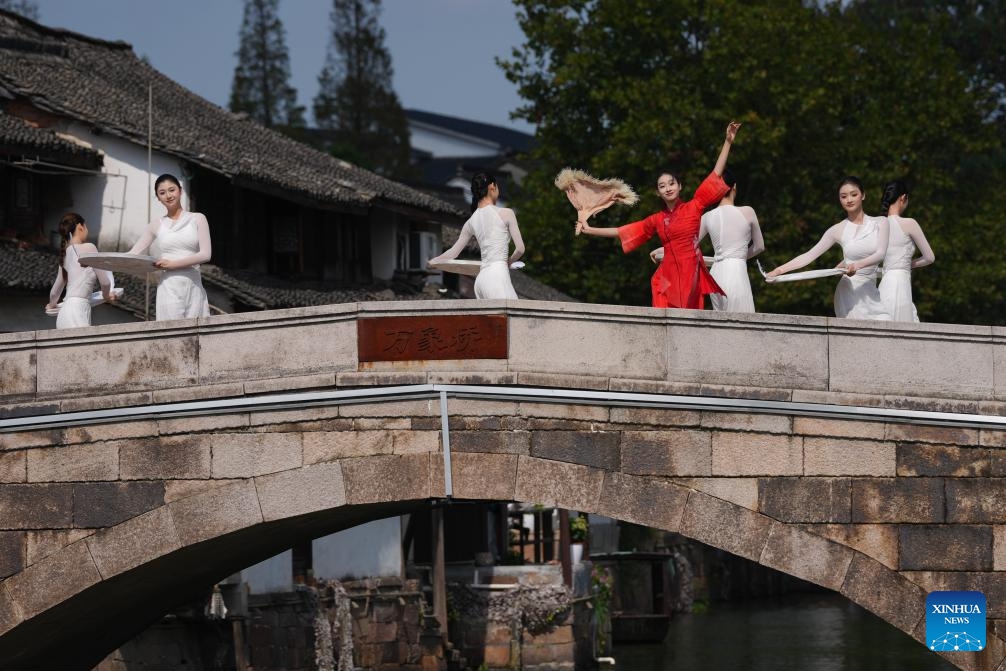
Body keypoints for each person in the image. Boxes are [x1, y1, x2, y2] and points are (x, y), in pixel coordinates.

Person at [576, 122, 741, 309]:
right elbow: (624, 231)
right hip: (667, 276)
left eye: (671, 183)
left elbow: (715, 174)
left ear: (680, 186)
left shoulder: (694, 206)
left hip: (689, 272)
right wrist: (590, 229)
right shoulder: (657, 219)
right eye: (662, 186)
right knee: (659, 293)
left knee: (684, 312)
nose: (668, 188)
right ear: (658, 192)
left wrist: (728, 141)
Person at [766, 176, 891, 320]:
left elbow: (880, 254)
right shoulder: (837, 229)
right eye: (843, 196)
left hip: (870, 291)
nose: (849, 200)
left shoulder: (881, 222)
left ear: (863, 195)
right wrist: (779, 270)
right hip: (849, 291)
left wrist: (855, 265)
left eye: (854, 194)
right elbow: (809, 255)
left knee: (884, 322)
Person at [650, 168, 764, 312]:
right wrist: (738, 257)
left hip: (716, 272)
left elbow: (684, 243)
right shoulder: (748, 211)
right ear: (734, 186)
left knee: (720, 318)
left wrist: (661, 250)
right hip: (737, 269)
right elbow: (759, 246)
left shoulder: (708, 216)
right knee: (743, 317)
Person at [428, 172, 525, 299]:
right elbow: (520, 249)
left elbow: (452, 253)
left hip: (481, 280)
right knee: (514, 311)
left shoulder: (471, 221)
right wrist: (509, 262)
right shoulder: (506, 213)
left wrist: (434, 261)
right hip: (497, 276)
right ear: (492, 187)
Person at [128, 174, 211, 320]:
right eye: (162, 193)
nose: (168, 195)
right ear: (158, 198)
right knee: (171, 331)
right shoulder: (155, 225)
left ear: (180, 190)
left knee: (196, 330)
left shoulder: (197, 218)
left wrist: (173, 264)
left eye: (172, 190)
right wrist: (99, 262)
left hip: (193, 283)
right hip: (169, 286)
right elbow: (131, 254)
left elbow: (205, 254)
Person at [878, 180, 934, 322]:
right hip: (901, 282)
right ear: (903, 198)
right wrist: (908, 264)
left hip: (885, 282)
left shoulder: (877, 225)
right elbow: (929, 257)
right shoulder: (909, 223)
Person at [46, 212, 114, 328]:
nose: (87, 231)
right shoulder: (90, 248)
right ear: (80, 227)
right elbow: (105, 282)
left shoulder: (65, 255)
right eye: (86, 227)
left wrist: (51, 305)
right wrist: (107, 296)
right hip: (78, 311)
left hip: (63, 314)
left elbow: (55, 292)